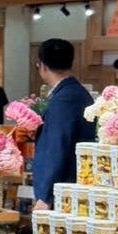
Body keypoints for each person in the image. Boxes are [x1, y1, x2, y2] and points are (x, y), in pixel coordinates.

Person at [31, 39, 95, 210]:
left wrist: (45, 196)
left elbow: (56, 147)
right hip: (72, 185)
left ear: (43, 66)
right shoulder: (77, 93)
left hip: (63, 191)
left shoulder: (64, 99)